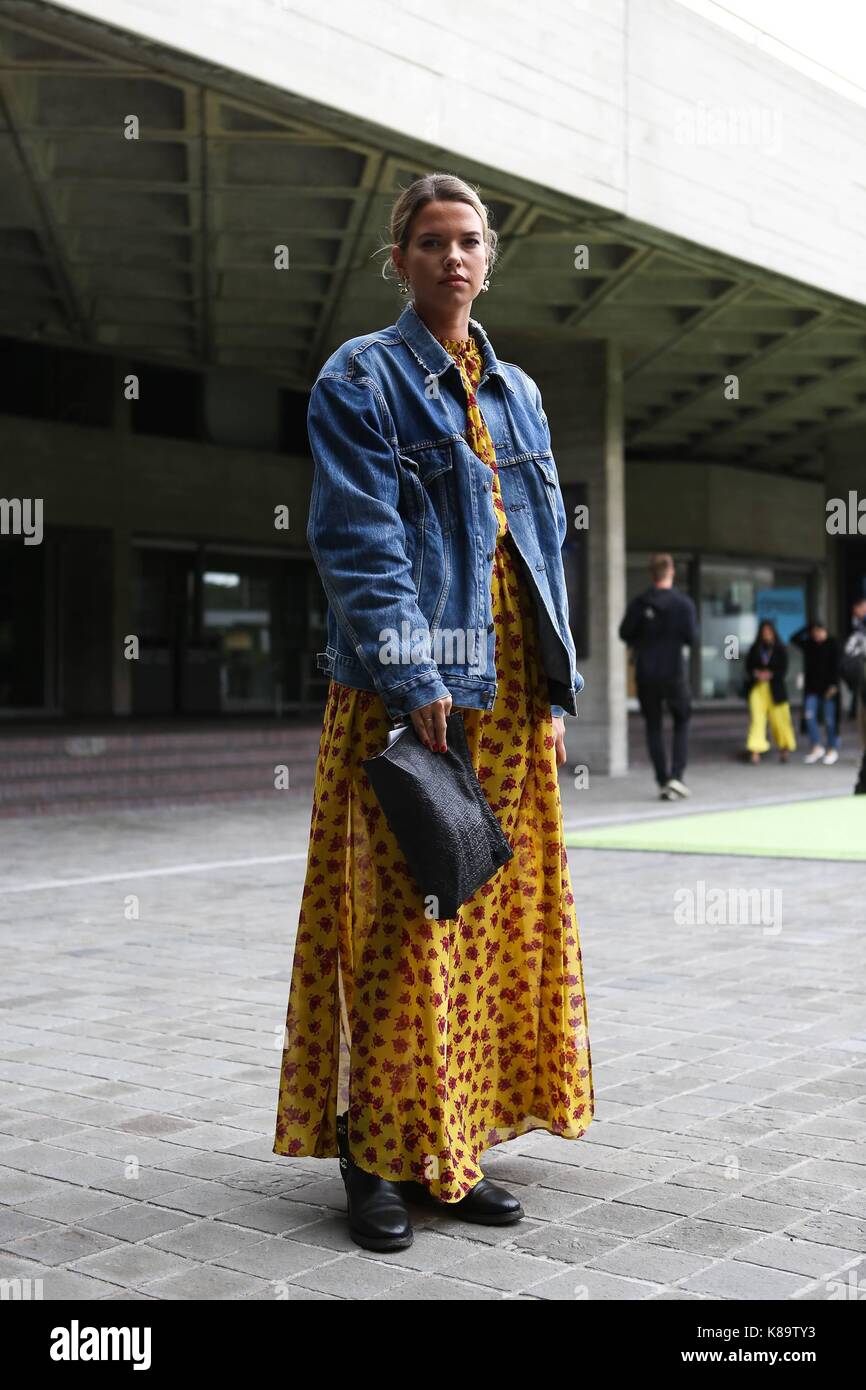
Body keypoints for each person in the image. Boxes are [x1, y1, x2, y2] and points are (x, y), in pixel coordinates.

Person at [272, 173, 594, 1253]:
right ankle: (372, 1159)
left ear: (487, 259)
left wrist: (553, 687)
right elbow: (358, 542)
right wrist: (418, 682)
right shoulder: (358, 378)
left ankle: (450, 1153)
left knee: (486, 928)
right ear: (398, 260)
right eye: (428, 241)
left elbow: (546, 549)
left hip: (507, 700)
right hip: (409, 693)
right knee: (398, 929)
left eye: (466, 242)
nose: (451, 257)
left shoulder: (519, 392)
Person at [618, 553, 699, 800]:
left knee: (653, 726)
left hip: (646, 674)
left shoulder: (640, 603)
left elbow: (624, 633)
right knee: (681, 721)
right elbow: (692, 638)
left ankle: (663, 780)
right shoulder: (684, 604)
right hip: (674, 673)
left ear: (652, 574)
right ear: (671, 572)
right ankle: (677, 777)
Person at [743, 620, 797, 764]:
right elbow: (748, 667)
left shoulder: (780, 649)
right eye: (764, 632)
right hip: (758, 688)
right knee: (757, 720)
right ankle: (755, 750)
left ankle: (784, 747)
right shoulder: (755, 648)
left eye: (769, 632)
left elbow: (784, 670)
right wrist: (757, 674)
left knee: (780, 720)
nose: (766, 634)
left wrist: (771, 674)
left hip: (775, 689)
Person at [790, 619, 842, 765]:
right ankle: (816, 746)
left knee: (830, 720)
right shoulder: (809, 644)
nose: (817, 635)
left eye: (819, 631)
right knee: (809, 717)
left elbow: (837, 667)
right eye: (814, 632)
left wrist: (834, 685)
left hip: (829, 689)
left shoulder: (833, 644)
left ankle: (832, 748)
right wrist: (807, 627)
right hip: (812, 689)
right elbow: (793, 638)